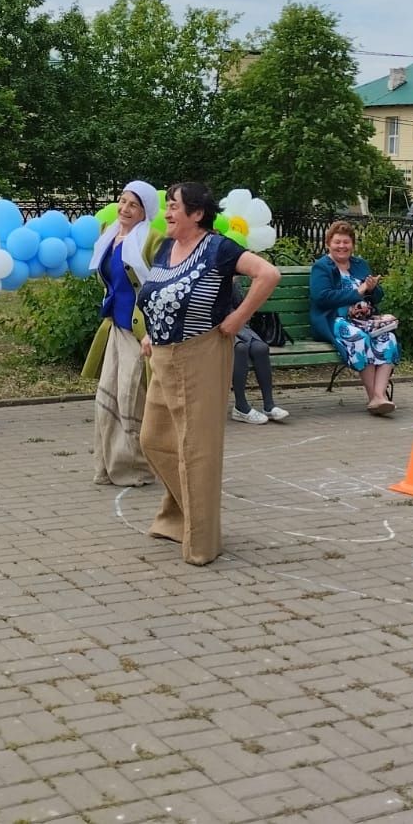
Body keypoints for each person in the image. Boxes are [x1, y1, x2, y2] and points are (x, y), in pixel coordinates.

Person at [137, 182, 280, 565]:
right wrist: (152, 330)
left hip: (200, 353)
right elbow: (160, 293)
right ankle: (182, 516)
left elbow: (268, 274)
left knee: (196, 450)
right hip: (164, 357)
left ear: (197, 214)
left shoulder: (219, 248)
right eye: (167, 205)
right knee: (153, 439)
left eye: (174, 206)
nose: (167, 212)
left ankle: (202, 541)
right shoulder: (168, 247)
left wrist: (237, 318)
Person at [82, 180, 159, 486]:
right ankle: (107, 466)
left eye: (133, 205)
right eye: (122, 201)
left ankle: (137, 468)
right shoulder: (109, 234)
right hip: (115, 326)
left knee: (130, 398)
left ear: (145, 211)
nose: (125, 209)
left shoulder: (151, 240)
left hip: (139, 331)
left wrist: (153, 330)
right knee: (106, 399)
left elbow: (159, 286)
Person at [309, 221, 395, 415]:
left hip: (364, 319)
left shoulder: (360, 264)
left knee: (387, 338)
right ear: (328, 243)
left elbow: (377, 295)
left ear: (352, 244)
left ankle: (380, 396)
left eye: (346, 242)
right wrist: (359, 292)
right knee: (359, 338)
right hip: (333, 319)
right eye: (337, 242)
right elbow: (322, 298)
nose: (342, 246)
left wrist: (372, 289)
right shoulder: (322, 267)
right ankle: (375, 398)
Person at [231, 286, 288, 424]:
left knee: (261, 348)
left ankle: (269, 405)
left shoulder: (230, 281)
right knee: (240, 349)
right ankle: (240, 406)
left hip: (239, 325)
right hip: (217, 329)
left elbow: (244, 308)